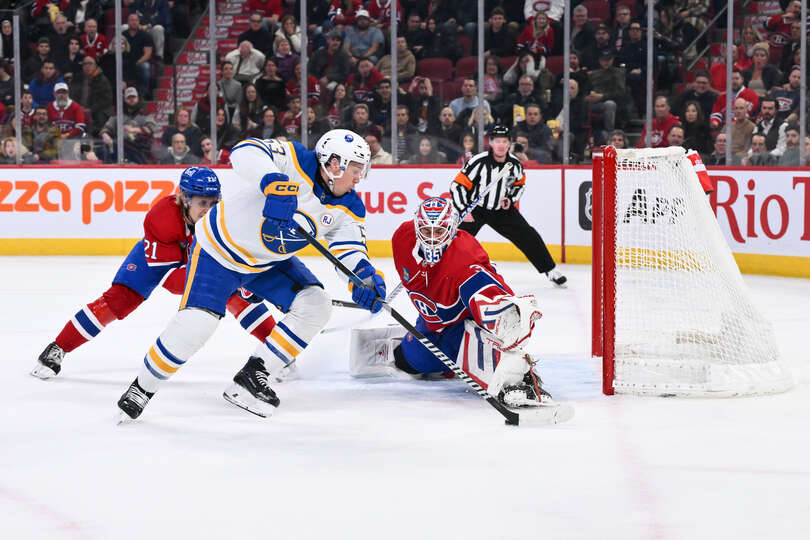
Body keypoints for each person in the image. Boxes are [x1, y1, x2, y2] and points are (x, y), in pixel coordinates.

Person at [116, 130, 383, 421]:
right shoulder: (295, 159)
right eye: (356, 170)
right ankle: (142, 387)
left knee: (316, 304)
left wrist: (363, 277)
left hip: (266, 263)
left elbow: (350, 248)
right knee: (197, 325)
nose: (359, 178)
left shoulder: (350, 207)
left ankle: (253, 376)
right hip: (218, 251)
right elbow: (244, 150)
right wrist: (273, 181)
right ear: (334, 164)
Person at [32, 167, 278, 380]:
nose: (209, 209)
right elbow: (171, 282)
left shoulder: (222, 217)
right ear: (185, 199)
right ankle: (58, 347)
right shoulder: (162, 219)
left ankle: (278, 351)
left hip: (194, 255)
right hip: (162, 256)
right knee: (121, 299)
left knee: (233, 295)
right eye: (202, 203)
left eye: (214, 202)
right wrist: (230, 282)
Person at [351, 197, 563, 412]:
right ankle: (439, 357)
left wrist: (505, 311)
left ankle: (518, 376)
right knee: (407, 362)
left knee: (485, 356)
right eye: (426, 231)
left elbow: (485, 289)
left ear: (451, 230)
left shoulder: (465, 256)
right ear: (417, 228)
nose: (432, 239)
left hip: (463, 327)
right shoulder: (402, 238)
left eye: (439, 231)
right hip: (430, 324)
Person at [451, 124, 566, 286]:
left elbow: (519, 184)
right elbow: (457, 185)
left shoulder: (514, 164)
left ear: (509, 143)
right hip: (475, 210)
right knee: (456, 241)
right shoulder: (478, 161)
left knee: (529, 236)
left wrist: (510, 199)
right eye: (497, 141)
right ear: (491, 142)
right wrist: (464, 209)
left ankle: (550, 270)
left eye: (504, 141)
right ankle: (443, 272)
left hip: (501, 211)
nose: (501, 145)